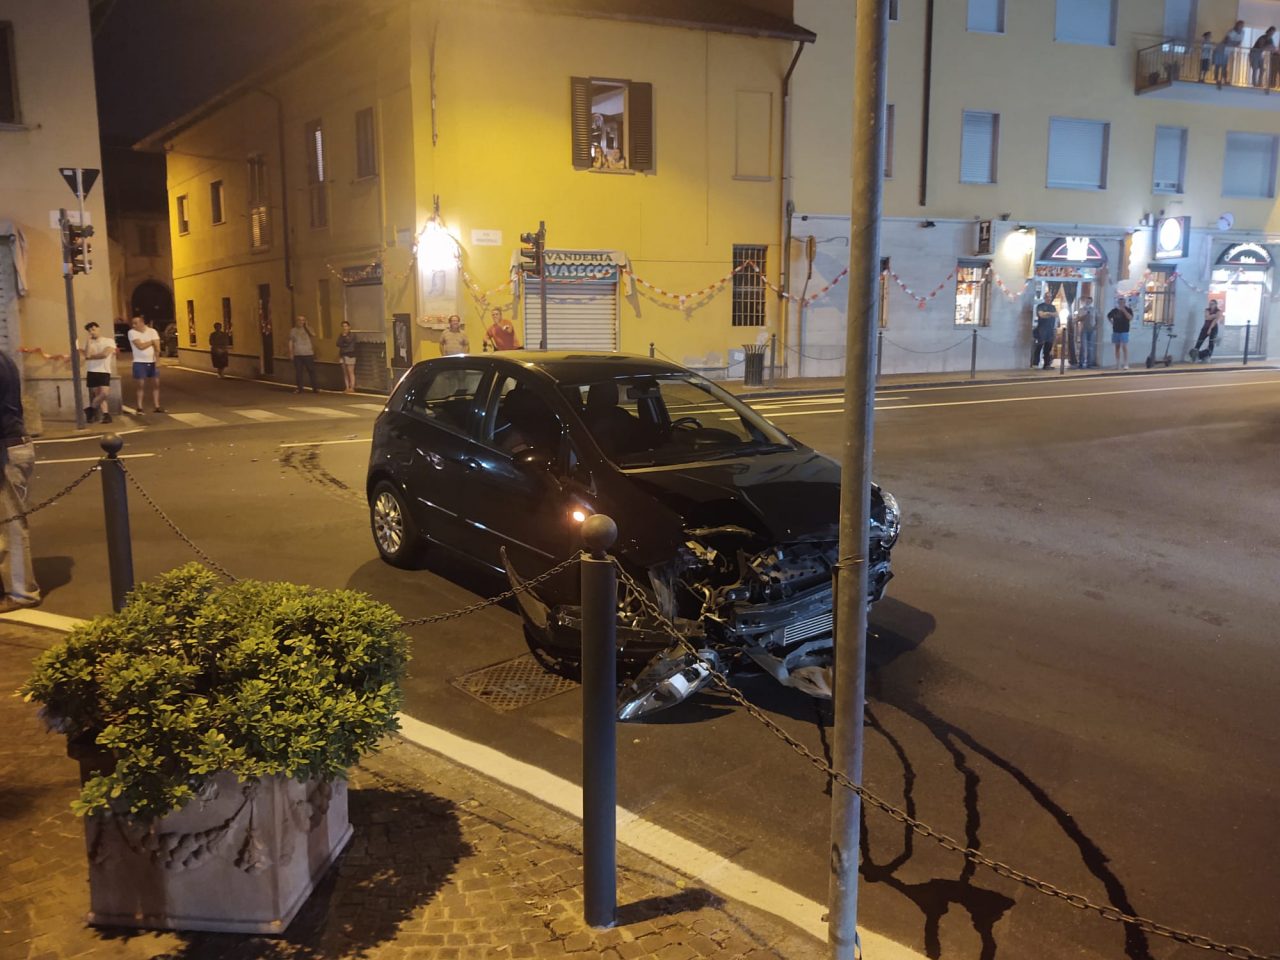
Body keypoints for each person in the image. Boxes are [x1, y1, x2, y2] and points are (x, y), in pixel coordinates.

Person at [0, 350, 41, 612]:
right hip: (13, 445)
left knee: (11, 524)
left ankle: (22, 593)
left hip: (6, 448)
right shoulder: (4, 358)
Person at [79, 322, 116, 423]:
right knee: (98, 394)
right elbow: (86, 355)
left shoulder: (108, 341)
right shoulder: (88, 342)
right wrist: (88, 342)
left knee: (104, 393)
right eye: (89, 330)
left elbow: (105, 354)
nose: (92, 332)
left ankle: (90, 409)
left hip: (104, 370)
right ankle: (106, 415)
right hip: (92, 371)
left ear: (98, 329)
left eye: (93, 329)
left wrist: (91, 357)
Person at [127, 313, 163, 413]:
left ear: (142, 323)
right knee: (140, 384)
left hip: (152, 361)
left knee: (156, 383)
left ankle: (157, 405)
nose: (133, 325)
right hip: (139, 361)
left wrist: (157, 360)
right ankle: (139, 406)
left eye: (136, 323)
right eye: (133, 323)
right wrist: (151, 342)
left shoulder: (152, 331)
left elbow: (157, 347)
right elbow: (140, 346)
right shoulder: (132, 332)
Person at [288, 315, 318, 394]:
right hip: (297, 354)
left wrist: (307, 326)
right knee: (299, 372)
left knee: (311, 371)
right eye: (300, 320)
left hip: (308, 353)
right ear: (297, 321)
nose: (301, 322)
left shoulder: (309, 329)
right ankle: (299, 388)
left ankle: (315, 388)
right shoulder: (293, 330)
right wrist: (291, 353)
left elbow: (313, 335)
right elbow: (291, 342)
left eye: (303, 320)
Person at [1032, 295, 1058, 370]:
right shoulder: (1040, 306)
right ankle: (1035, 363)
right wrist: (1050, 314)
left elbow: (1056, 314)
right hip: (1042, 328)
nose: (1049, 298)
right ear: (1044, 298)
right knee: (1039, 345)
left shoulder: (1053, 307)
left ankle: (1047, 364)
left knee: (1048, 347)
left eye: (1050, 297)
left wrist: (1047, 313)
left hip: (1050, 329)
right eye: (1047, 297)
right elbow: (1041, 315)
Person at [1108, 296, 1133, 369]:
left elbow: (1130, 318)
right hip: (1116, 330)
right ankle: (1117, 363)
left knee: (1124, 347)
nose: (1121, 304)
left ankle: (1126, 364)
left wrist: (1124, 310)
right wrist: (1112, 322)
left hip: (1124, 331)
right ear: (1118, 303)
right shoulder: (1114, 310)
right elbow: (1108, 316)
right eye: (1120, 303)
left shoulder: (1128, 309)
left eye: (1122, 303)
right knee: (1117, 347)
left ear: (1125, 303)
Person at [1075, 296, 1098, 368]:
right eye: (1087, 301)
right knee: (1083, 347)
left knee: (1091, 347)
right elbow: (1078, 319)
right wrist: (1085, 315)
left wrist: (1095, 327)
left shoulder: (1094, 310)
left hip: (1092, 329)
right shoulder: (1081, 309)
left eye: (1089, 301)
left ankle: (1089, 363)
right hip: (1083, 329)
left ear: (1091, 302)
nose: (1088, 302)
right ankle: (1081, 363)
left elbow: (1097, 319)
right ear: (1085, 301)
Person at [336, 320, 358, 393]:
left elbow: (348, 342)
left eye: (346, 326)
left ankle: (352, 387)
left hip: (350, 354)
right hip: (342, 354)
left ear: (349, 327)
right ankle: (347, 387)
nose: (344, 328)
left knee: (350, 371)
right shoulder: (341, 335)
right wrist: (343, 339)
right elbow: (338, 343)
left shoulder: (352, 335)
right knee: (345, 372)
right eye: (343, 326)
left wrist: (344, 337)